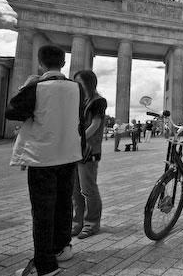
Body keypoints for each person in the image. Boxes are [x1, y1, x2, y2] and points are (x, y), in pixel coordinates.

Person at [6, 45, 84, 276]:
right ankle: (62, 248)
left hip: (42, 157)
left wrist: (28, 85)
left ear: (40, 64)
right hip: (68, 154)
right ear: (63, 63)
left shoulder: (37, 87)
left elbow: (12, 112)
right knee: (63, 204)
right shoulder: (76, 88)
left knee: (42, 211)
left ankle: (45, 265)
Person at [72, 70, 107, 240]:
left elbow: (96, 124)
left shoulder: (98, 101)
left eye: (80, 82)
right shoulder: (80, 101)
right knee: (75, 190)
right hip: (74, 150)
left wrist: (80, 138)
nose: (77, 85)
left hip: (89, 151)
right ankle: (77, 222)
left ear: (89, 83)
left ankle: (91, 224)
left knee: (88, 189)